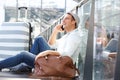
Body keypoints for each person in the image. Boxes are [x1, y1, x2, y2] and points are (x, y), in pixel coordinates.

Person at [0, 12, 82, 71]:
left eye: (66, 19)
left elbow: (67, 54)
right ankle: (27, 65)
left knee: (23, 55)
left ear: (74, 22)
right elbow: (52, 44)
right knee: (39, 39)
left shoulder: (75, 36)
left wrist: (47, 52)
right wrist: (55, 31)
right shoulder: (67, 36)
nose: (63, 21)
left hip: (59, 65)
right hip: (56, 61)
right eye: (63, 19)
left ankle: (24, 65)